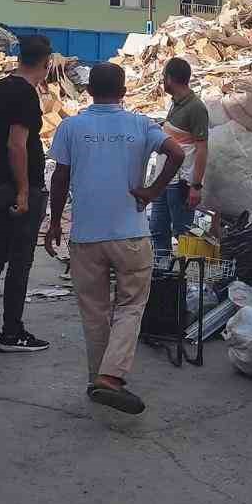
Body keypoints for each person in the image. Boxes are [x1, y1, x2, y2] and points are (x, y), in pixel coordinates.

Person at [45, 63, 184, 414]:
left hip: (86, 237)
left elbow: (60, 178)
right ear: (123, 92)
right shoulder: (140, 124)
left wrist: (54, 223)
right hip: (131, 235)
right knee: (131, 305)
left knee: (94, 310)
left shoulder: (71, 127)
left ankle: (100, 378)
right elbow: (177, 153)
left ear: (89, 91)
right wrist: (152, 191)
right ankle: (111, 376)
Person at [0, 34, 54, 353]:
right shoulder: (25, 95)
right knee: (20, 260)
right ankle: (12, 332)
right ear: (47, 63)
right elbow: (16, 144)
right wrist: (23, 191)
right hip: (20, 188)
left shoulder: (1, 88)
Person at [149, 57, 209, 263]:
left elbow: (202, 149)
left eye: (164, 76)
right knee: (157, 229)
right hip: (163, 180)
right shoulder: (175, 104)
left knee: (182, 234)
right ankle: (163, 276)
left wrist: (196, 186)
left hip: (180, 182)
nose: (162, 81)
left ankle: (188, 283)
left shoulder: (196, 108)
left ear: (171, 79)